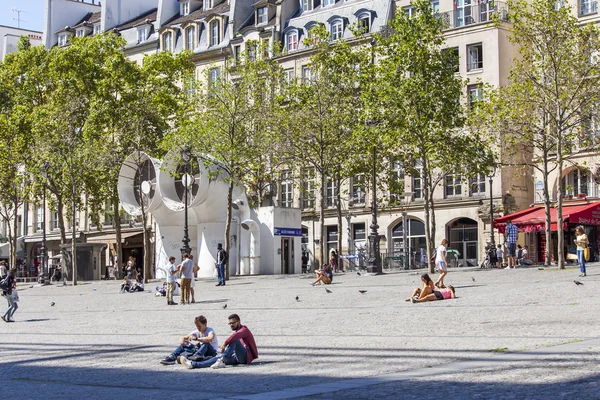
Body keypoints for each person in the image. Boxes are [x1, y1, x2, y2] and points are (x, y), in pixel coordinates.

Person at [179, 313, 258, 369]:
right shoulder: (238, 330)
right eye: (230, 323)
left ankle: (222, 360)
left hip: (245, 357)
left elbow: (235, 337)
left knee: (235, 340)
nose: (231, 325)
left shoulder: (244, 329)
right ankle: (193, 364)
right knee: (216, 358)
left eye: (233, 323)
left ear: (239, 322)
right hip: (236, 356)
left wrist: (224, 345)